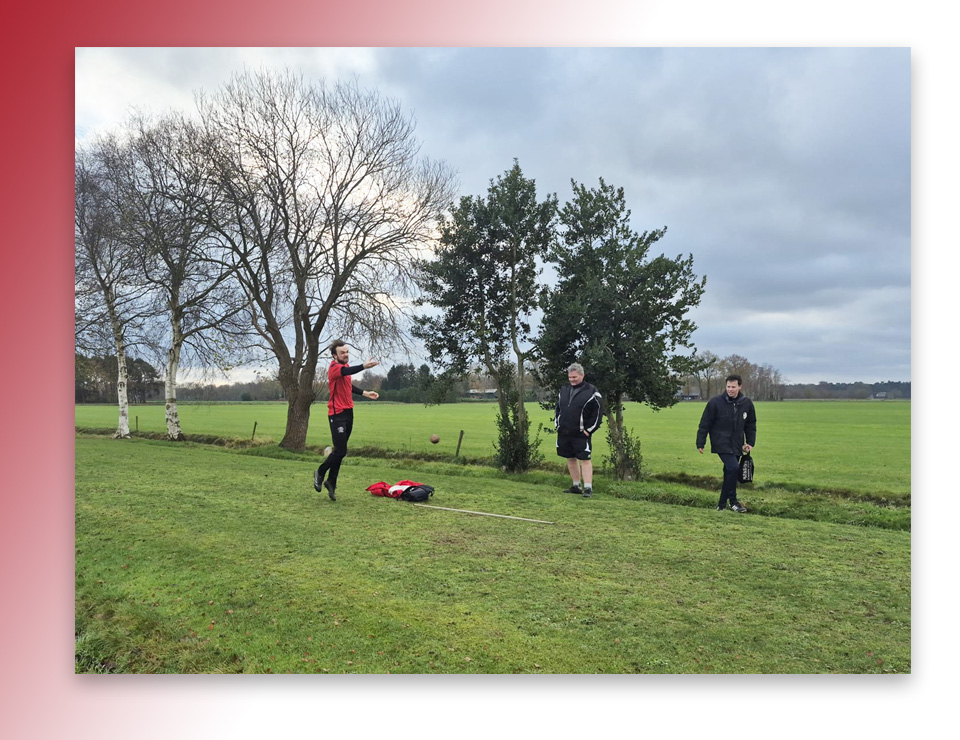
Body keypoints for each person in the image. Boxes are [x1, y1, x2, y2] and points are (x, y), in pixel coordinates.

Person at [313, 340, 379, 501]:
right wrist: (364, 366)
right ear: (335, 355)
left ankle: (331, 482)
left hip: (349, 413)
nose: (346, 355)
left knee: (339, 451)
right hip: (337, 414)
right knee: (341, 451)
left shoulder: (345, 369)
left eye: (347, 352)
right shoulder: (335, 368)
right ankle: (320, 472)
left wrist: (365, 393)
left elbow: (348, 386)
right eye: (342, 353)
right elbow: (345, 373)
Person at [696, 374, 757, 512]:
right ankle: (722, 504)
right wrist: (701, 443)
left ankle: (733, 503)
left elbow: (751, 424)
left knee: (730, 472)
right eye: (728, 386)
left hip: (737, 444)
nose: (730, 389)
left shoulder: (746, 403)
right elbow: (705, 423)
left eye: (733, 387)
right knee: (733, 468)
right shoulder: (715, 402)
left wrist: (750, 442)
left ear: (739, 387)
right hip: (720, 442)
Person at [555, 363, 603, 498]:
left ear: (582, 375)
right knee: (570, 458)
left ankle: (588, 488)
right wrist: (558, 425)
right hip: (564, 432)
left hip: (581, 433)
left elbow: (598, 412)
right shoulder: (564, 390)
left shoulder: (592, 391)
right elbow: (558, 408)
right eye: (570, 377)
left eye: (574, 377)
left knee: (585, 459)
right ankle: (576, 485)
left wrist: (589, 430)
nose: (572, 380)